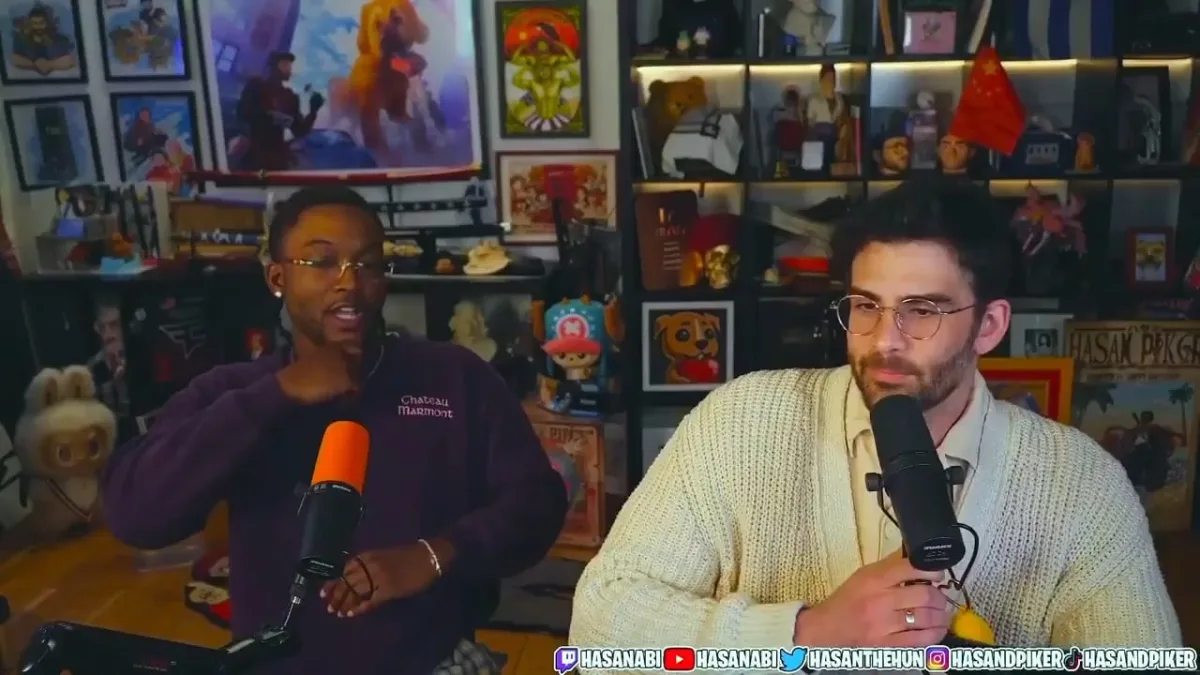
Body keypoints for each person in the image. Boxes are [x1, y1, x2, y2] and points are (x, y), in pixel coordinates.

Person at [570, 179, 1180, 657]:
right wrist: (806, 632)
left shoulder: (1082, 484)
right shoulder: (741, 422)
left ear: (989, 325)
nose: (884, 340)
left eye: (921, 311)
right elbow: (600, 622)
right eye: (866, 306)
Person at [102, 186, 568, 675]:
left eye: (368, 263)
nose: (349, 282)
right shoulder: (234, 391)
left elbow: (536, 502)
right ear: (277, 277)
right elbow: (137, 514)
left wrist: (436, 554)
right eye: (321, 262)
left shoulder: (453, 376)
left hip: (431, 660)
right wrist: (276, 395)